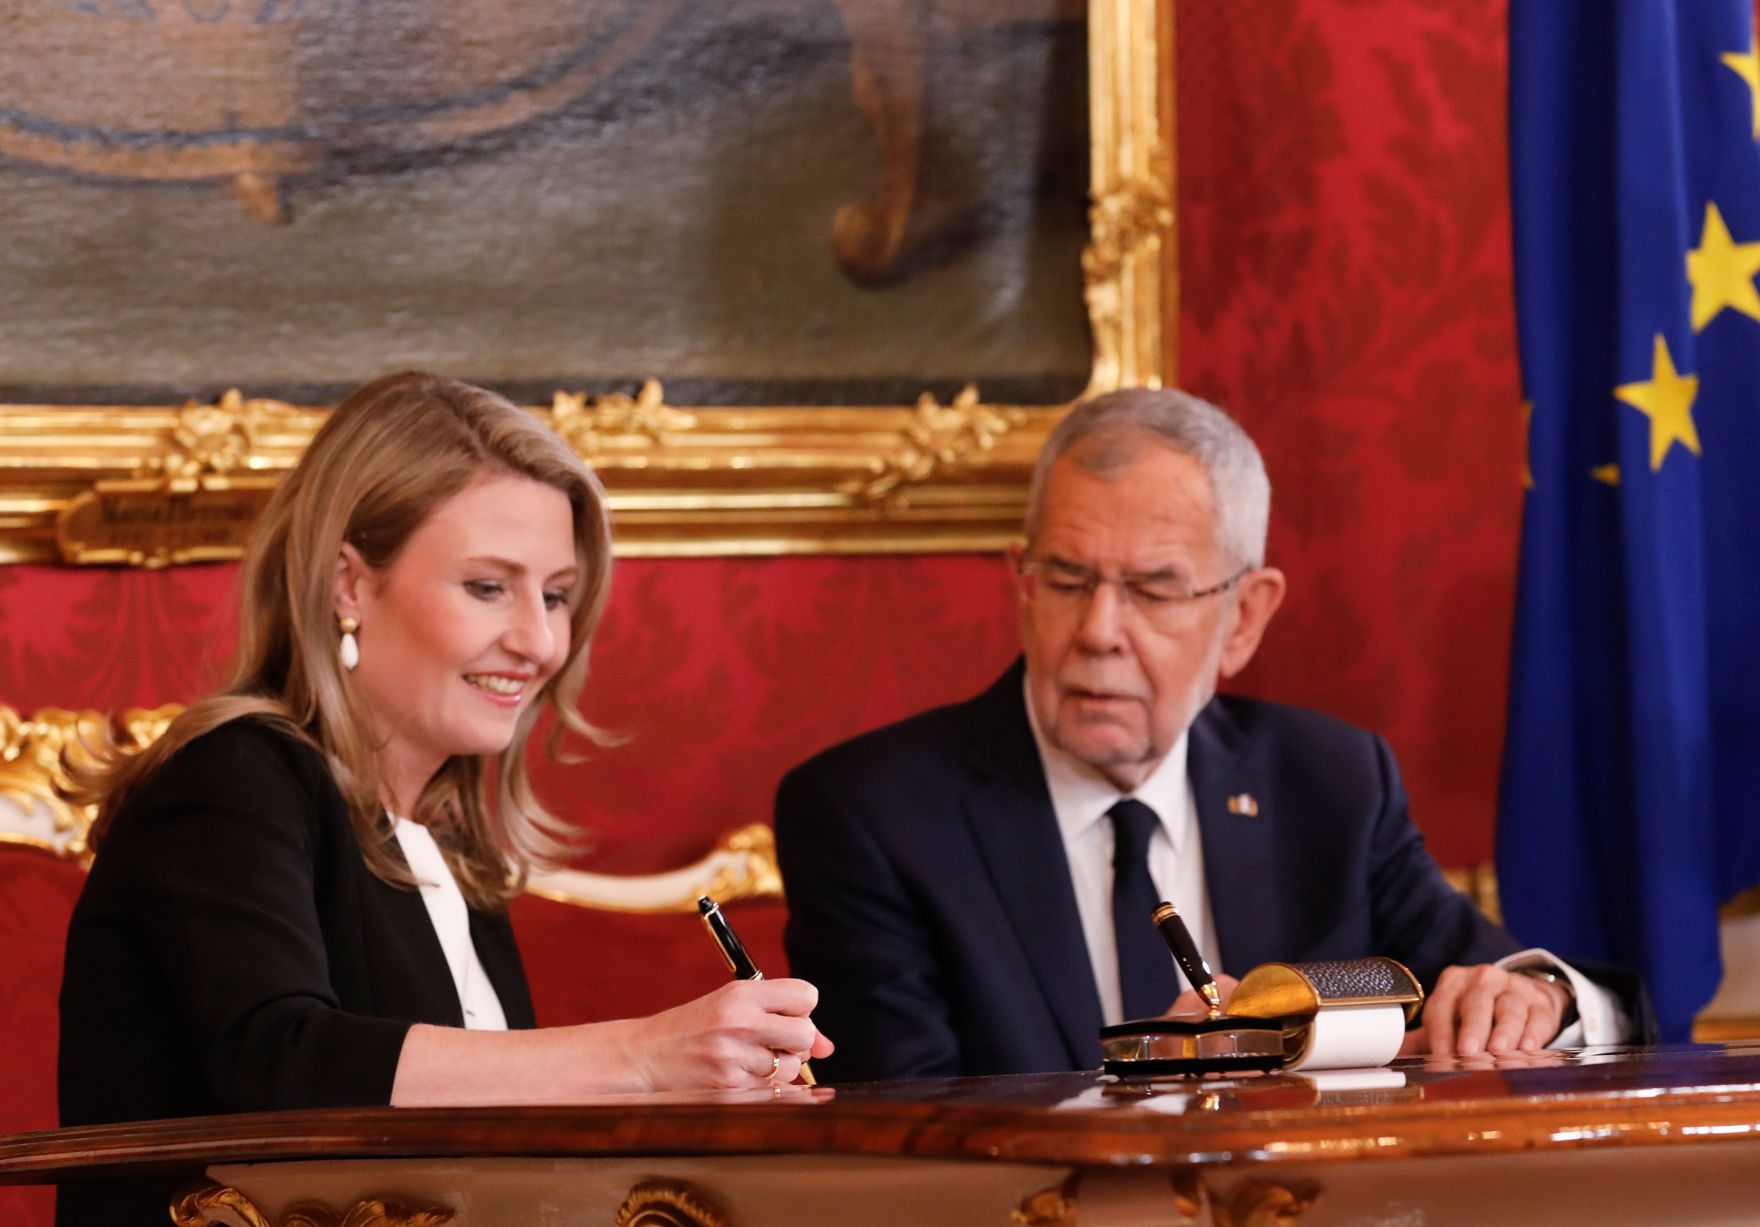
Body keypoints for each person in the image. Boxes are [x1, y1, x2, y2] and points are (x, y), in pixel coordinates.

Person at [57, 372, 831, 1224]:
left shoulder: (449, 843)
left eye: (558, 594)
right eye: (488, 587)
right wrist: (649, 1057)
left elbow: (481, 1156)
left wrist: (702, 1094)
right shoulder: (231, 777)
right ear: (349, 584)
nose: (538, 641)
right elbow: (280, 1061)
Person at [775, 387, 1644, 1083]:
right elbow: (903, 1136)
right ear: (1023, 584)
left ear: (1244, 616)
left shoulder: (1329, 783)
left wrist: (1539, 997)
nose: (1100, 629)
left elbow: (1513, 986)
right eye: (1069, 578)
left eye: (1154, 589)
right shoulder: (873, 814)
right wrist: (1156, 1088)